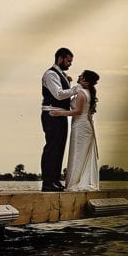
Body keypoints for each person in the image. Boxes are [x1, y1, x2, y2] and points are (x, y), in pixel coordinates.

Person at [50, 69, 100, 191]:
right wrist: (67, 81)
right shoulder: (88, 92)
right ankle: (77, 180)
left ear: (85, 81)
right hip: (84, 126)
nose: (79, 76)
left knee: (78, 154)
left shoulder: (82, 93)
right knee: (80, 154)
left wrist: (59, 113)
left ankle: (75, 183)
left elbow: (77, 111)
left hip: (81, 127)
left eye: (81, 76)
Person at [41, 48, 80, 192]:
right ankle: (47, 182)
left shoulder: (61, 75)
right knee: (52, 148)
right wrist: (77, 88)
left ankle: (55, 180)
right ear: (60, 58)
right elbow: (58, 94)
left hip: (61, 115)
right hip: (51, 114)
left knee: (59, 148)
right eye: (68, 60)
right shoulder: (50, 74)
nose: (70, 64)